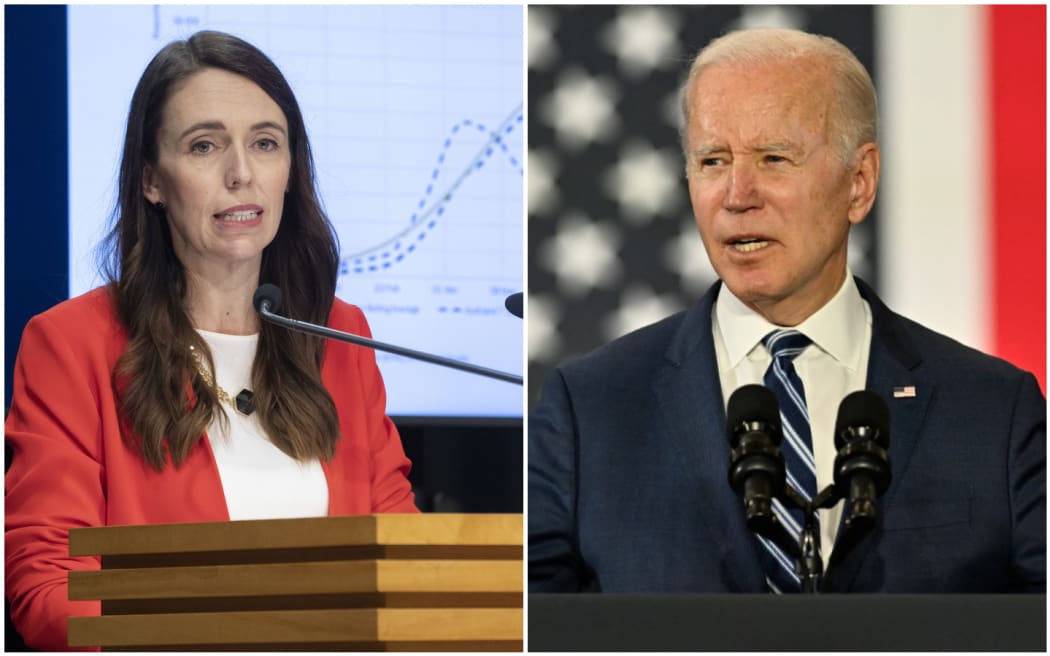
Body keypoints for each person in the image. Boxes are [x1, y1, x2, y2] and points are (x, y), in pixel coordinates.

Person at [528, 28, 1045, 594]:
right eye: (712, 160)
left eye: (774, 158)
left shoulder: (994, 412)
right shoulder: (591, 408)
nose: (737, 194)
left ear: (859, 182)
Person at [5, 31, 418, 650]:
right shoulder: (73, 344)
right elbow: (48, 589)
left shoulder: (338, 333)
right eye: (204, 146)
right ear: (152, 181)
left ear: (290, 171)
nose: (241, 174)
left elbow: (405, 562)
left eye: (265, 144)